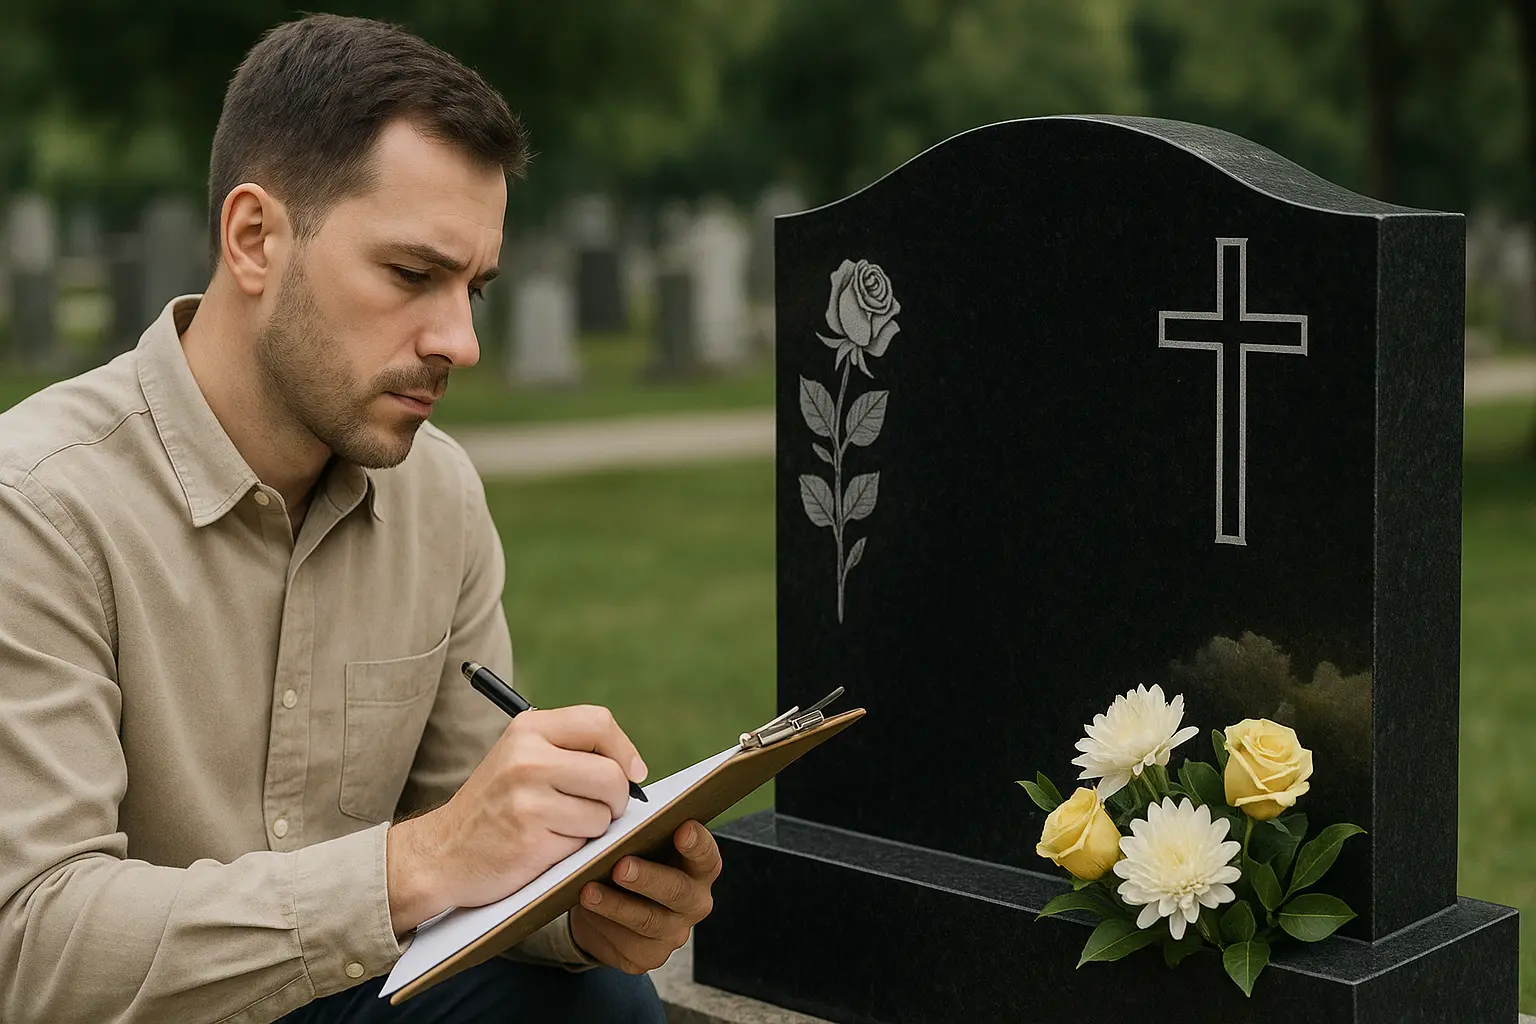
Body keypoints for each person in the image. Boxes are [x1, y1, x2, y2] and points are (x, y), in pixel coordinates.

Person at [0, 14, 719, 1023]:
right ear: (254, 238)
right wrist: (414, 862)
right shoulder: (34, 503)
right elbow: (29, 945)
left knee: (603, 998)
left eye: (474, 287)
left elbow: (475, 855)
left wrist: (587, 902)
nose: (461, 341)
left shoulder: (440, 495)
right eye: (412, 275)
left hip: (342, 997)